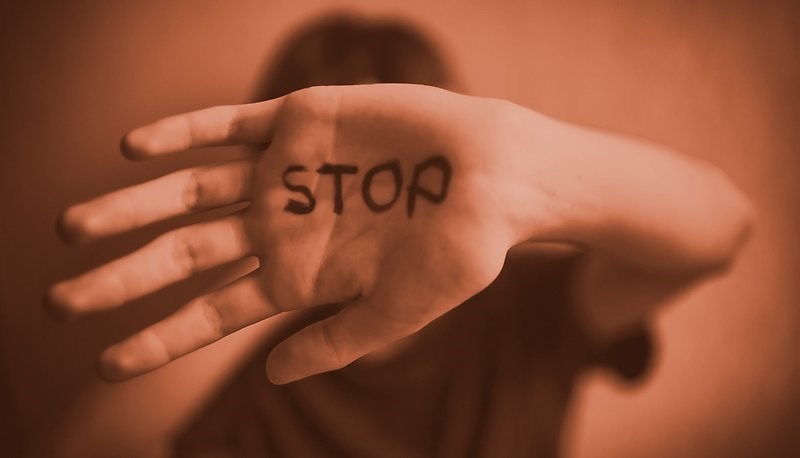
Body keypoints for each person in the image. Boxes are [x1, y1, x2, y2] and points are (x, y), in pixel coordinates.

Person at [46, 14, 752, 457]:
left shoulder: (526, 309)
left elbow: (724, 226)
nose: (364, 213)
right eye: (328, 171)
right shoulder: (261, 380)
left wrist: (526, 167)